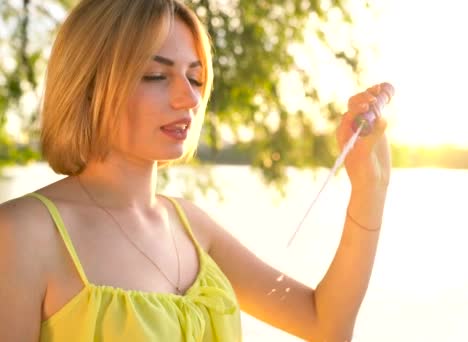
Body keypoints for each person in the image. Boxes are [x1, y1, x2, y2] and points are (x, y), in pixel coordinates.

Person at [0, 0, 393, 341]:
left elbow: (327, 325)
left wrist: (370, 188)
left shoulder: (190, 224)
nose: (188, 98)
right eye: (156, 75)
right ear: (89, 83)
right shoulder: (23, 234)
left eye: (196, 77)